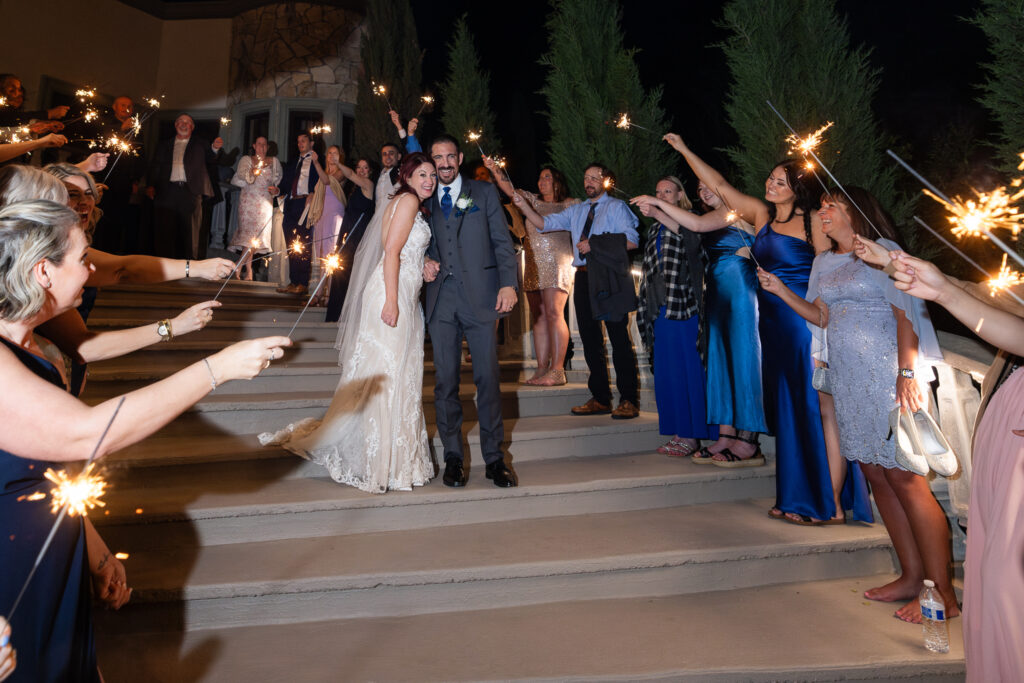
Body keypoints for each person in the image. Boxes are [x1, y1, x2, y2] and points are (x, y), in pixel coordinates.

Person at [0, 199, 289, 682]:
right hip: (11, 573)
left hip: (56, 550)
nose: (92, 269)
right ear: (42, 271)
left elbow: (53, 474)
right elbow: (87, 434)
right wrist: (216, 369)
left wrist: (94, 550)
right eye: (83, 258)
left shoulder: (36, 346)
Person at [759, 187, 952, 621]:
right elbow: (823, 316)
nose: (821, 213)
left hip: (887, 376)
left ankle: (942, 594)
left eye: (831, 206)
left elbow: (907, 314)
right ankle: (910, 574)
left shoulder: (884, 252)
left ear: (855, 212)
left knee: (906, 480)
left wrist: (907, 375)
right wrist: (780, 293)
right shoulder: (825, 261)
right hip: (848, 380)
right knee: (876, 477)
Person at [663, 133, 843, 526]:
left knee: (808, 410)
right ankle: (793, 496)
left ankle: (825, 503)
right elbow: (719, 187)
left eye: (781, 181)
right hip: (771, 323)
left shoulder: (812, 222)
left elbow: (837, 265)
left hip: (800, 324)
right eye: (771, 179)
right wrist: (684, 149)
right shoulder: (763, 216)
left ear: (797, 188)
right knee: (787, 411)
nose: (771, 184)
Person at [879, 248, 1023, 677]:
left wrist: (944, 292)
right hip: (1008, 415)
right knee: (993, 573)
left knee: (1005, 581)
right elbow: (1003, 303)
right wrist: (937, 283)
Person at [259, 153, 437, 492]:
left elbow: (400, 247)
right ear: (408, 177)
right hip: (392, 296)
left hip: (398, 294)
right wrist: (391, 301)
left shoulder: (403, 200)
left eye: (432, 174)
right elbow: (392, 253)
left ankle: (386, 459)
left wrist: (425, 261)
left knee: (391, 375)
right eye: (422, 174)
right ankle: (384, 464)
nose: (429, 179)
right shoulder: (410, 201)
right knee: (390, 376)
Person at [635, 181, 767, 465]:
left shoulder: (736, 213)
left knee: (743, 364)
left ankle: (747, 440)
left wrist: (656, 206)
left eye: (709, 184)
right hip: (715, 296)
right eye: (700, 187)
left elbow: (690, 228)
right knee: (720, 365)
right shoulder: (710, 219)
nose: (704, 190)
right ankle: (726, 435)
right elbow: (690, 231)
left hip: (741, 291)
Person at [422, 134, 519, 488]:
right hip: (441, 302)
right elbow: (411, 242)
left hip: (482, 299)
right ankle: (453, 458)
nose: (444, 164)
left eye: (450, 156)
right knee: (445, 383)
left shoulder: (483, 193)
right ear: (430, 162)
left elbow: (501, 242)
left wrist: (509, 283)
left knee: (488, 380)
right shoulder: (423, 198)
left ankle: (495, 459)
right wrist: (421, 263)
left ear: (459, 158)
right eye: (438, 158)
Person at [514, 163, 641, 419]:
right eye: (586, 178)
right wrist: (525, 205)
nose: (589, 182)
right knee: (591, 340)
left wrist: (596, 245)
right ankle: (601, 398)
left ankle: (628, 399)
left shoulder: (616, 207)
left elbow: (632, 241)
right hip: (583, 277)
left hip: (610, 276)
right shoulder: (577, 210)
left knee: (618, 338)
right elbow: (543, 223)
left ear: (607, 181)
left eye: (595, 177)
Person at [631, 177, 716, 456]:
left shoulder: (692, 218)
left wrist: (656, 209)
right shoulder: (655, 227)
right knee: (669, 373)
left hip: (685, 307)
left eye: (667, 191)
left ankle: (692, 436)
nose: (661, 195)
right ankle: (680, 433)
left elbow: (691, 239)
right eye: (657, 192)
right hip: (661, 309)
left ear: (680, 195)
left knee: (688, 370)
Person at [487, 159, 577, 385]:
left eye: (548, 177)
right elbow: (509, 189)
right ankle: (541, 368)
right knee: (538, 317)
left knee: (554, 313)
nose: (542, 181)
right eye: (540, 177)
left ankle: (557, 370)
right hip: (534, 263)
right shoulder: (531, 200)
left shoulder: (569, 204)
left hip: (558, 262)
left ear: (558, 182)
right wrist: (495, 171)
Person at [147, 113, 224, 259]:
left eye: (187, 122)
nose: (184, 124)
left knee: (191, 233)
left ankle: (189, 267)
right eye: (180, 121)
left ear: (192, 127)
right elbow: (155, 166)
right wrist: (150, 185)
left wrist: (214, 148)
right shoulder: (165, 144)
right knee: (165, 231)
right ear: (176, 125)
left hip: (191, 192)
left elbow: (211, 158)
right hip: (167, 192)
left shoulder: (200, 143)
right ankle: (164, 266)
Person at [325, 157, 376, 322]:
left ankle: (348, 317)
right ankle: (334, 315)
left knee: (349, 275)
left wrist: (338, 163)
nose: (361, 171)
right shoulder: (354, 190)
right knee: (339, 273)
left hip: (358, 237)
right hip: (347, 233)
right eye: (359, 167)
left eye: (365, 168)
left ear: (370, 172)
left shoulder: (368, 185)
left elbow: (350, 174)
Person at [228, 136, 282, 280]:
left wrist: (276, 190)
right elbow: (241, 174)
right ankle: (242, 269)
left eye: (264, 145)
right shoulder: (246, 159)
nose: (262, 147)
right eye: (259, 144)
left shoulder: (274, 162)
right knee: (249, 237)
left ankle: (244, 269)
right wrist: (253, 171)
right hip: (248, 202)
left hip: (265, 203)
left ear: (267, 147)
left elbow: (278, 182)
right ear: (254, 145)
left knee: (255, 238)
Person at [276, 132, 318, 295]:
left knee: (303, 243)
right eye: (298, 141)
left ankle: (302, 283)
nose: (300, 143)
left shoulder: (316, 161)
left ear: (311, 143)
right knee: (291, 244)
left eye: (304, 141)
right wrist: (277, 190)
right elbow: (285, 185)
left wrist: (313, 195)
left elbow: (321, 182)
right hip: (291, 204)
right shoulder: (293, 162)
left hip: (305, 203)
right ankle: (293, 282)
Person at [308, 145, 348, 299]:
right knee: (319, 252)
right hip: (322, 214)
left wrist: (316, 163)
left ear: (340, 156)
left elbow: (327, 182)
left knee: (330, 252)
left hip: (334, 213)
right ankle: (318, 291)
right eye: (329, 153)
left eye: (335, 153)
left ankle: (329, 294)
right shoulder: (323, 171)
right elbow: (319, 187)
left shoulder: (341, 172)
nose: (332, 156)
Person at [374, 142, 403, 213]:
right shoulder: (377, 176)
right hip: (377, 219)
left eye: (391, 153)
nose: (388, 157)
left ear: (398, 156)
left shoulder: (401, 174)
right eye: (384, 154)